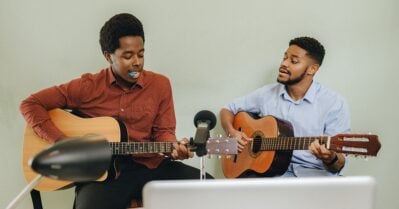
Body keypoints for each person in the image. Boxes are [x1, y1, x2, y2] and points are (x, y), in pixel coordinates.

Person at [20, 13, 212, 209]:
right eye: (128, 56)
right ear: (108, 56)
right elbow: (30, 104)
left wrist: (174, 148)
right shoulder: (87, 87)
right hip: (106, 177)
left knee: (211, 190)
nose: (137, 62)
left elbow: (164, 132)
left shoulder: (160, 85)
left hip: (151, 168)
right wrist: (62, 143)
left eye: (141, 54)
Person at [220, 37, 350, 177]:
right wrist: (231, 131)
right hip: (270, 176)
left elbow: (338, 164)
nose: (284, 64)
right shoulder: (266, 94)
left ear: (312, 69)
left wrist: (330, 157)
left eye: (293, 61)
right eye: (284, 57)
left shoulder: (334, 103)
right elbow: (227, 109)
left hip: (312, 178)